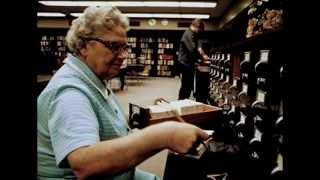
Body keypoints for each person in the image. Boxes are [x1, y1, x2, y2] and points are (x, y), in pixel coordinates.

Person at [37, 6, 209, 180]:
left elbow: (106, 128)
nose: (123, 56)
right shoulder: (70, 92)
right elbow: (85, 164)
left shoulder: (92, 78)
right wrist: (164, 135)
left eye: (124, 47)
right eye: (113, 46)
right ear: (83, 46)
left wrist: (151, 121)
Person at [177, 19, 209, 100]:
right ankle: (181, 102)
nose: (200, 32)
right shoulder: (188, 34)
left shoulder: (193, 34)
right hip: (185, 63)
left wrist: (201, 56)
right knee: (186, 86)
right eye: (200, 30)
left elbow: (197, 46)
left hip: (188, 63)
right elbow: (192, 49)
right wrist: (201, 57)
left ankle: (183, 101)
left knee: (188, 85)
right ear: (197, 27)